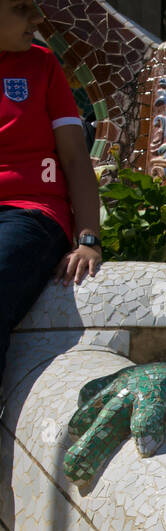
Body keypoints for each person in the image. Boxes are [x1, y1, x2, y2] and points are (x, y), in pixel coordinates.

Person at [0, 3, 101, 383]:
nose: (37, 20)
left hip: (31, 213)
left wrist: (88, 238)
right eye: (22, 8)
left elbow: (76, 158)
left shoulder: (42, 66)